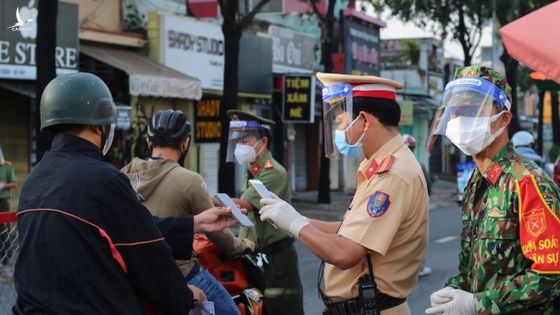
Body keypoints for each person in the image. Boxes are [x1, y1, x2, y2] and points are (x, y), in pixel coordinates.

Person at [14, 72, 236, 314]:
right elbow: (146, 253)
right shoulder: (103, 178)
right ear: (98, 125)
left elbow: (120, 228)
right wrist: (184, 296)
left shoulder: (35, 179)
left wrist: (193, 223)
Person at [259, 73, 429, 314]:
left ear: (364, 121)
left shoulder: (391, 174)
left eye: (340, 124)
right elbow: (349, 230)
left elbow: (346, 252)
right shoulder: (379, 166)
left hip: (371, 308)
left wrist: (296, 224)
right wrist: (291, 217)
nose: (338, 133)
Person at [424, 65, 560, 314]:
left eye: (471, 110)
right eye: (455, 112)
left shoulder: (527, 182)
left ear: (504, 118)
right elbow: (473, 269)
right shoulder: (477, 181)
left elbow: (551, 272)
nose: (459, 120)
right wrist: (455, 291)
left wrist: (478, 305)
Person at [121, 109, 255, 315]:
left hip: (134, 274)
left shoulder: (124, 174)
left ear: (149, 141)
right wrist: (241, 245)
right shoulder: (188, 179)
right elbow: (217, 232)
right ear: (185, 143)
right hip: (179, 274)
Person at [225, 110, 304, 315]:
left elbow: (244, 206)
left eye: (246, 139)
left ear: (263, 142)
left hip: (276, 259)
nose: (240, 145)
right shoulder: (254, 170)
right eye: (238, 140)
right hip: (258, 257)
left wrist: (204, 198)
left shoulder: (272, 172)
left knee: (282, 310)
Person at [402, 134, 432, 277]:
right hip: (417, 208)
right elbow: (429, 188)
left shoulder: (395, 166)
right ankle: (418, 266)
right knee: (418, 236)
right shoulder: (419, 166)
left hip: (400, 209)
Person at [0, 145, 17, 268]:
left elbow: (14, 184)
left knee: (3, 228)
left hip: (3, 200)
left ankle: (7, 256)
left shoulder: (6, 168)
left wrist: (3, 185)